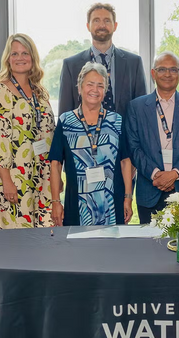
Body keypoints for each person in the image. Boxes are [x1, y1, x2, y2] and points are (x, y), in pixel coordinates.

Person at [0, 33, 55, 229]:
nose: (20, 58)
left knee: (41, 239)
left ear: (33, 58)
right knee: (14, 239)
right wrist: (6, 181)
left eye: (25, 53)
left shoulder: (40, 94)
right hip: (12, 178)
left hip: (41, 177)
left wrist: (54, 176)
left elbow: (49, 134)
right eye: (14, 53)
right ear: (8, 58)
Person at [49, 62, 133, 226]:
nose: (95, 90)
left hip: (112, 202)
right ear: (79, 87)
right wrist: (55, 202)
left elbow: (125, 162)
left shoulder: (116, 121)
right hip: (76, 204)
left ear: (105, 91)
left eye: (100, 86)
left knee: (112, 250)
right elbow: (55, 164)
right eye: (90, 84)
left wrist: (128, 198)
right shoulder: (66, 121)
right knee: (77, 250)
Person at [126, 51, 179, 223]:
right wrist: (155, 174)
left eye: (173, 70)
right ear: (153, 73)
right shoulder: (136, 107)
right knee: (150, 245)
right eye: (162, 69)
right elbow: (133, 147)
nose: (168, 74)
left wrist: (175, 174)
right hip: (149, 188)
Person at [58, 3, 147, 117]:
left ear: (115, 26)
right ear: (88, 26)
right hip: (83, 133)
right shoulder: (70, 65)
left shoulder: (134, 63)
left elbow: (140, 109)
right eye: (96, 20)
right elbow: (65, 113)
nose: (102, 25)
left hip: (124, 134)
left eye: (107, 21)